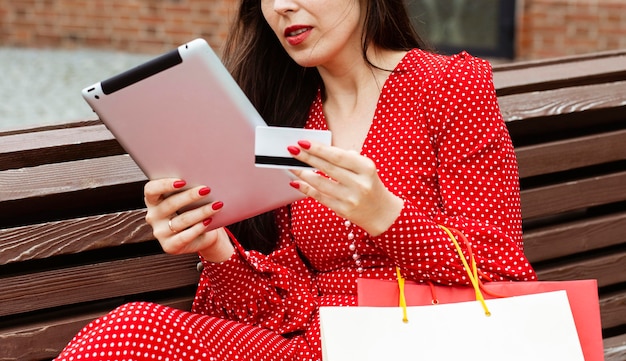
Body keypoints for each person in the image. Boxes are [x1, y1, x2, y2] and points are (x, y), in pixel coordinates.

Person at [55, 0, 537, 360]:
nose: (283, 6)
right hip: (318, 345)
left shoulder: (449, 86)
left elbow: (502, 266)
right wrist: (212, 243)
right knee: (130, 329)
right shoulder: (285, 121)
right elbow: (284, 311)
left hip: (432, 341)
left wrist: (385, 216)